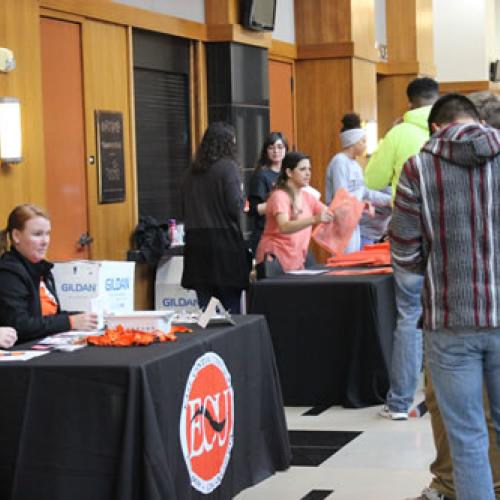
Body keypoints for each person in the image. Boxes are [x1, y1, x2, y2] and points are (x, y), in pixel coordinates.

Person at [392, 93, 500, 500]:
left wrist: (433, 272)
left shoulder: (418, 168)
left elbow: (404, 253)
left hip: (449, 320)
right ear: (474, 120)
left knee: (467, 437)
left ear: (437, 128)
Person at [363, 77, 440, 420]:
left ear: (409, 102)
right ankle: (440, 396)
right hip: (451, 231)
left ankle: (399, 402)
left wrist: (387, 141)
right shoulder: (452, 128)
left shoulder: (399, 133)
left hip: (409, 232)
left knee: (409, 316)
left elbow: (371, 180)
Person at [0, 204, 98, 344]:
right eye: (37, 234)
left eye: (48, 233)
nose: (45, 241)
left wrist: (84, 317)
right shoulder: (8, 273)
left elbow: (50, 316)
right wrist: (70, 321)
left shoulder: (42, 269)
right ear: (16, 236)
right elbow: (20, 325)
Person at [181, 121, 249, 314]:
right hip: (223, 247)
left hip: (196, 248)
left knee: (207, 314)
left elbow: (184, 209)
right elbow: (234, 206)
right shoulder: (228, 168)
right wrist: (244, 199)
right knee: (230, 313)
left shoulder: (190, 173)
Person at [325, 113, 391, 253]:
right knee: (343, 265)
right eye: (363, 141)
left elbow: (365, 192)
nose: (365, 145)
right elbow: (341, 196)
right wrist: (361, 204)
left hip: (353, 222)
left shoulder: (355, 165)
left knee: (353, 263)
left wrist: (390, 200)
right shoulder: (339, 162)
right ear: (352, 142)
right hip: (340, 223)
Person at [256, 151, 333, 271]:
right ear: (289, 172)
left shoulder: (307, 196)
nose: (308, 173)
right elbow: (284, 226)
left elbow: (331, 213)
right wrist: (315, 219)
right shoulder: (279, 196)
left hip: (295, 262)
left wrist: (359, 206)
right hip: (275, 262)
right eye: (302, 169)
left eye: (309, 169)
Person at [248, 131, 288, 254]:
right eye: (271, 147)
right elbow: (253, 209)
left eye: (280, 147)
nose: (276, 151)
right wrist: (279, 203)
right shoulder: (261, 175)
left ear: (286, 149)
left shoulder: (289, 174)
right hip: (265, 235)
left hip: (285, 235)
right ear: (266, 151)